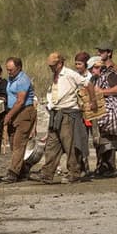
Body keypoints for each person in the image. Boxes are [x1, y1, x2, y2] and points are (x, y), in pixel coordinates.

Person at [39, 52, 88, 184]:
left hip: (68, 113)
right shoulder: (54, 76)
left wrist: (91, 101)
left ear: (60, 63)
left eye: (53, 65)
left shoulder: (70, 74)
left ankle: (74, 173)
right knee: (52, 144)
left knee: (70, 145)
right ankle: (47, 173)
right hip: (56, 113)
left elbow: (86, 83)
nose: (51, 68)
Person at [2, 57, 36, 183]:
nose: (9, 72)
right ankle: (22, 170)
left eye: (11, 70)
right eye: (7, 70)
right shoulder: (11, 79)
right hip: (14, 112)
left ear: (18, 68)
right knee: (13, 143)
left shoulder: (23, 80)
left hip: (24, 112)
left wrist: (9, 115)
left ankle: (13, 172)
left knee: (19, 143)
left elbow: (20, 101)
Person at [88, 55, 117, 178]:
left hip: (109, 111)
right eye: (91, 69)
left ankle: (110, 167)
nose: (92, 71)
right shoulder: (93, 79)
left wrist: (101, 92)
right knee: (98, 140)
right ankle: (101, 165)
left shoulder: (110, 75)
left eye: (94, 68)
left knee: (108, 140)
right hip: (97, 112)